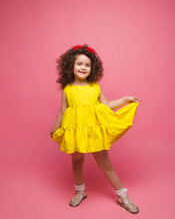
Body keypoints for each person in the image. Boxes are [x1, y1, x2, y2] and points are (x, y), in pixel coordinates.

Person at [50, 44, 141, 214]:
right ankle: (80, 191)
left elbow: (106, 105)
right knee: (76, 162)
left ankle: (122, 195)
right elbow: (63, 111)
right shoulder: (67, 89)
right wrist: (55, 128)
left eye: (87, 65)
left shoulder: (95, 86)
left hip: (93, 131)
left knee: (105, 164)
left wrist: (124, 99)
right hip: (75, 130)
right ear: (71, 65)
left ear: (93, 68)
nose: (83, 67)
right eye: (79, 64)